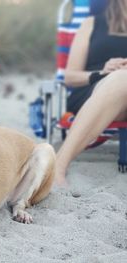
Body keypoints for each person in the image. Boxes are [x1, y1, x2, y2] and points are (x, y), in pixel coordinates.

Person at [55, 0, 127, 186]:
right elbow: (70, 76)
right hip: (93, 89)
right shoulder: (92, 23)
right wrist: (102, 72)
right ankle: (57, 167)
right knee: (120, 79)